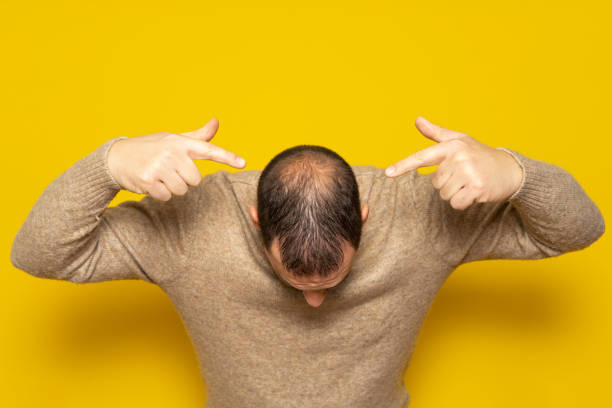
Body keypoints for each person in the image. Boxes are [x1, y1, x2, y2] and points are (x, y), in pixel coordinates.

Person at [10, 116, 605, 407]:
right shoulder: (191, 225)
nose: (315, 303)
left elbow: (575, 233)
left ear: (367, 217)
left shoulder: (422, 216)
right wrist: (107, 164)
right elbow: (39, 255)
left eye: (333, 280)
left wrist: (518, 172)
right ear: (254, 221)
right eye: (294, 280)